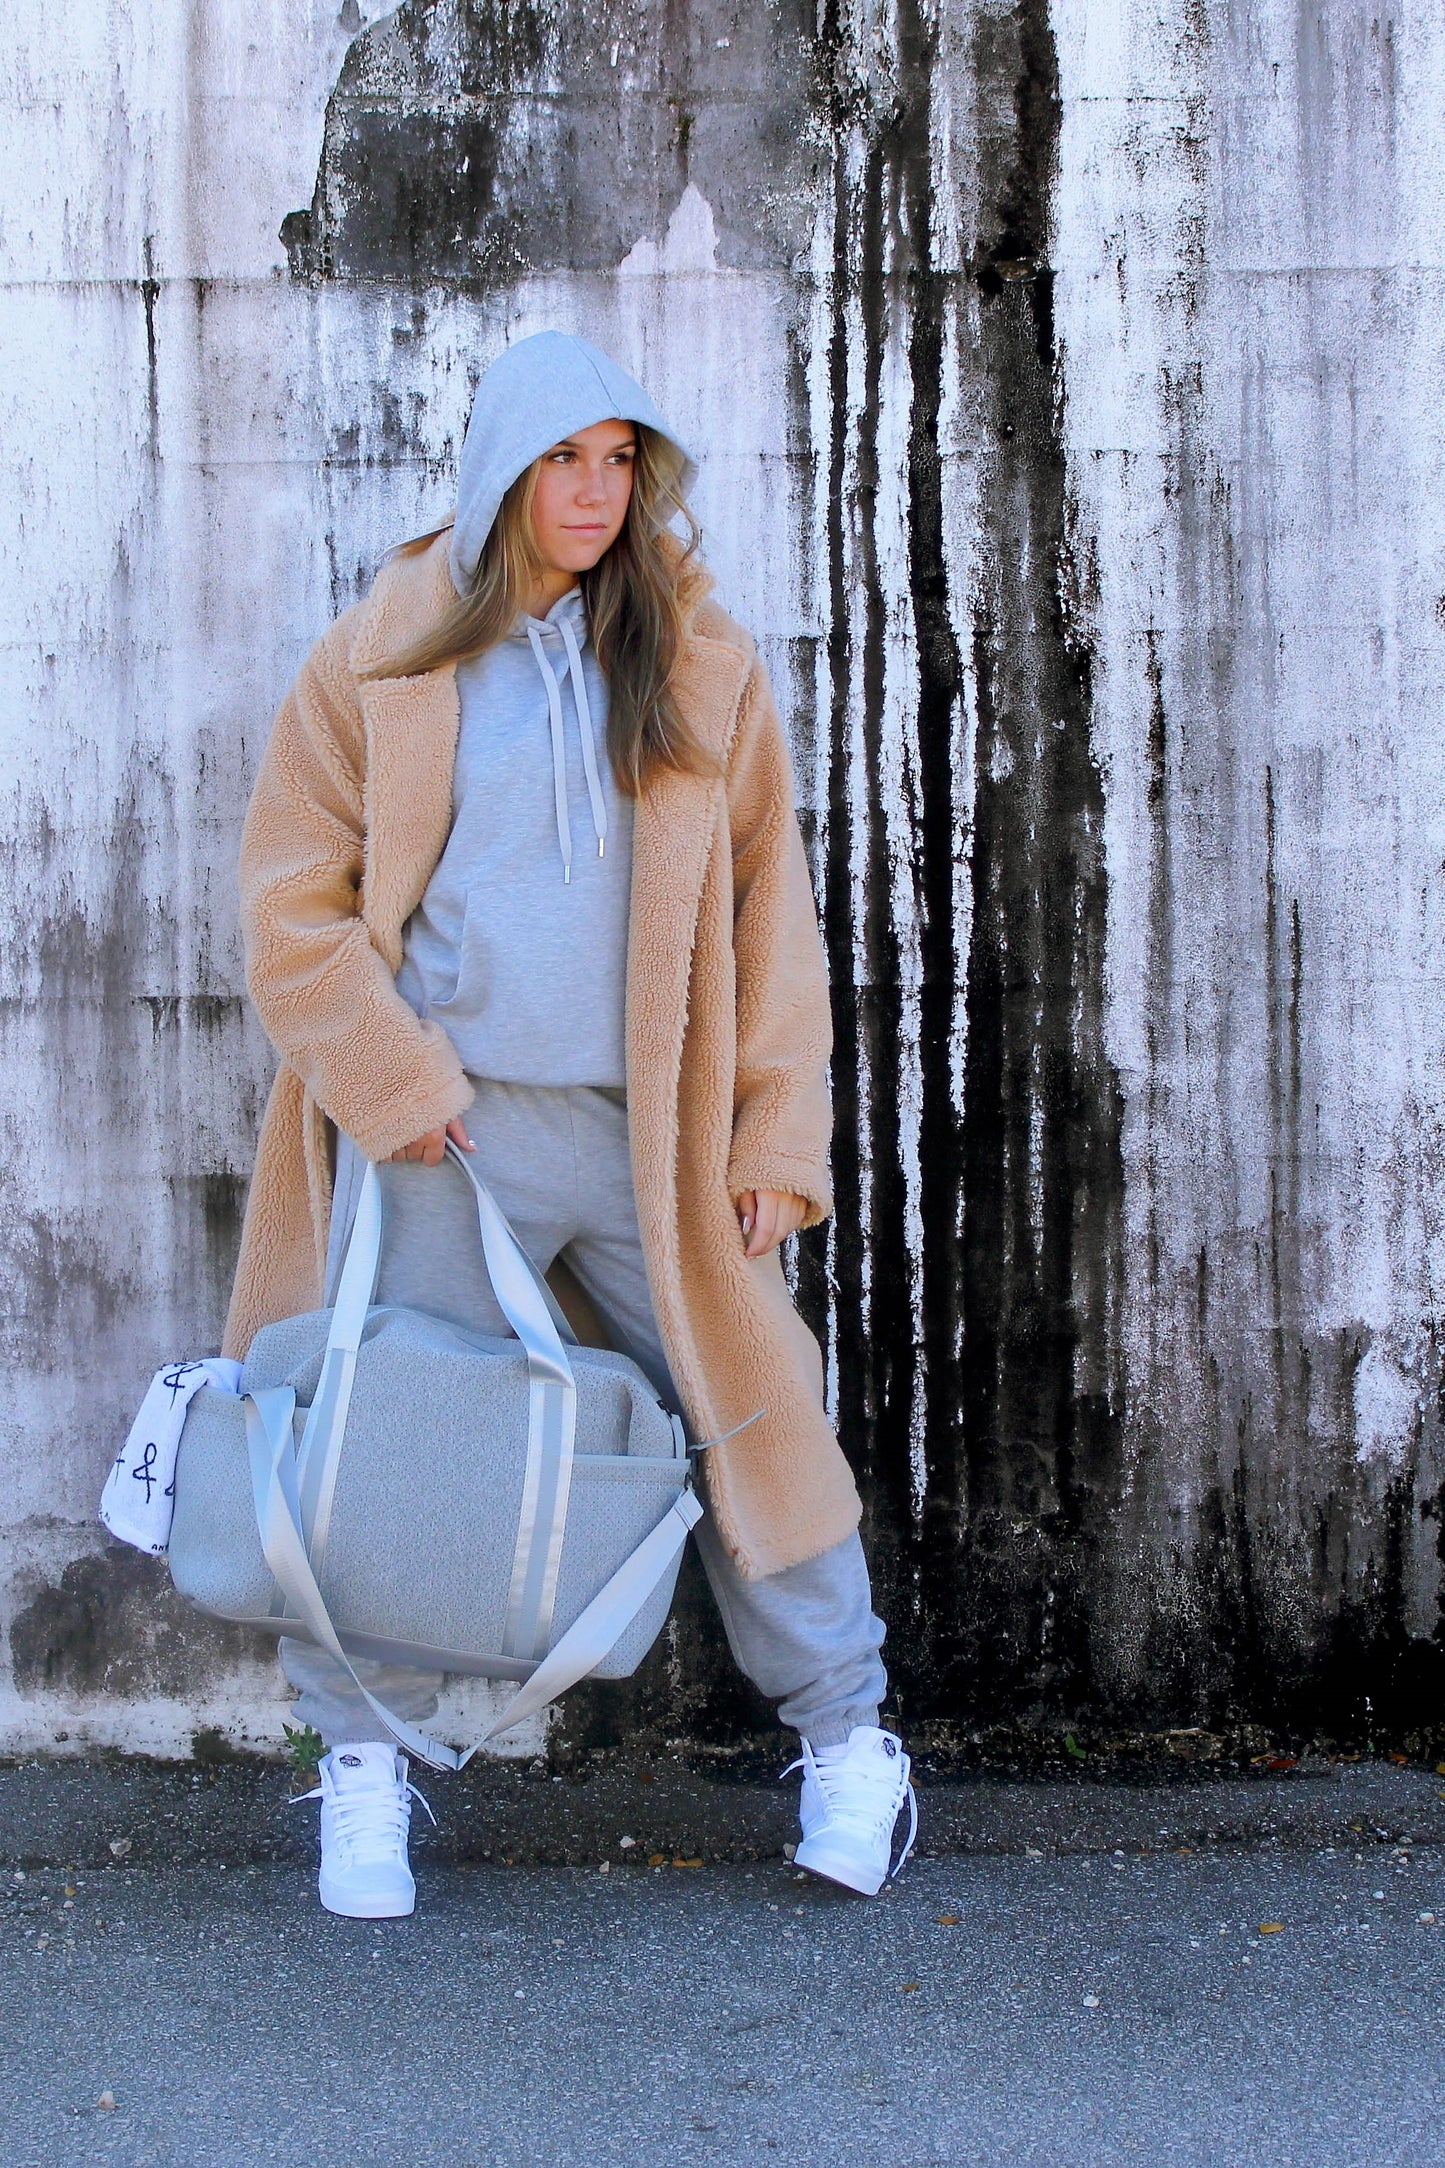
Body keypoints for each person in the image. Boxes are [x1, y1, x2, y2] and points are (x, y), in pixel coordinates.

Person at [224, 329, 915, 1919]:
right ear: (503, 469)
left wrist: (771, 1141)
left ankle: (851, 1738)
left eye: (620, 460)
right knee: (396, 1457)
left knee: (757, 1423)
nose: (594, 492)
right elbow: (290, 912)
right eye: (563, 458)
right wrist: (399, 1087)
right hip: (442, 1142)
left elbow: (769, 922)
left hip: (651, 1134)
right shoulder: (378, 661)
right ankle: (364, 1773)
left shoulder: (693, 664)